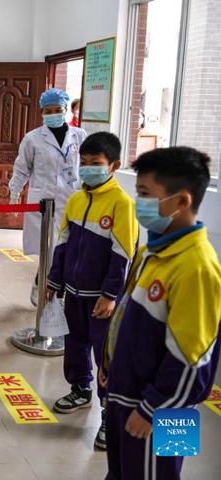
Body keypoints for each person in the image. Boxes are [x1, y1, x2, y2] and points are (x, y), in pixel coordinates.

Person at [101, 147, 221, 480]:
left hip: (164, 411)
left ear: (181, 201)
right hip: (129, 397)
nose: (137, 201)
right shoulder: (152, 251)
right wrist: (109, 365)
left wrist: (153, 408)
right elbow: (125, 318)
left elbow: (193, 359)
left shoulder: (197, 268)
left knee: (159, 475)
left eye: (144, 194)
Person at [45, 132, 138, 450]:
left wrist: (110, 295)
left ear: (113, 166)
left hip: (102, 299)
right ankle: (80, 389)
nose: (87, 169)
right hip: (74, 293)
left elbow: (123, 255)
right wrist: (54, 281)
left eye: (95, 163)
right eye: (83, 162)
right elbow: (62, 243)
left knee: (106, 355)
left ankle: (110, 413)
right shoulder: (75, 200)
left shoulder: (122, 204)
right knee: (75, 344)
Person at [9, 88, 87, 306]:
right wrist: (14, 193)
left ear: (66, 110)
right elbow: (22, 168)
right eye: (48, 111)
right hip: (43, 202)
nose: (53, 114)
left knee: (69, 249)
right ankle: (43, 285)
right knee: (51, 250)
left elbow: (87, 165)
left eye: (58, 110)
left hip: (72, 199)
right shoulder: (33, 138)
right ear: (42, 112)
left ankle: (51, 288)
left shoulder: (80, 135)